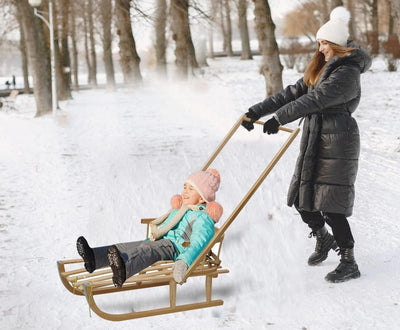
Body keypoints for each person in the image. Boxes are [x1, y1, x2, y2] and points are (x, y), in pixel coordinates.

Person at [242, 7, 371, 283]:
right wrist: (256, 112)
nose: (321, 48)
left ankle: (349, 261)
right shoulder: (321, 67)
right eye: (320, 42)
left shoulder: (348, 72)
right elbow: (293, 93)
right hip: (315, 137)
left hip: (338, 141)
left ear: (337, 44)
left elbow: (317, 99)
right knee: (304, 200)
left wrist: (281, 118)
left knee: (331, 205)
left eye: (325, 43)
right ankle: (324, 239)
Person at [76, 169, 223, 287]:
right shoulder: (181, 209)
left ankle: (124, 268)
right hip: (162, 241)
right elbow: (167, 226)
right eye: (184, 187)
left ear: (202, 198)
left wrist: (183, 261)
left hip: (176, 248)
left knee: (147, 251)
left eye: (191, 189)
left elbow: (199, 243)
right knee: (127, 246)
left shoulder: (203, 218)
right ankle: (94, 257)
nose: (184, 191)